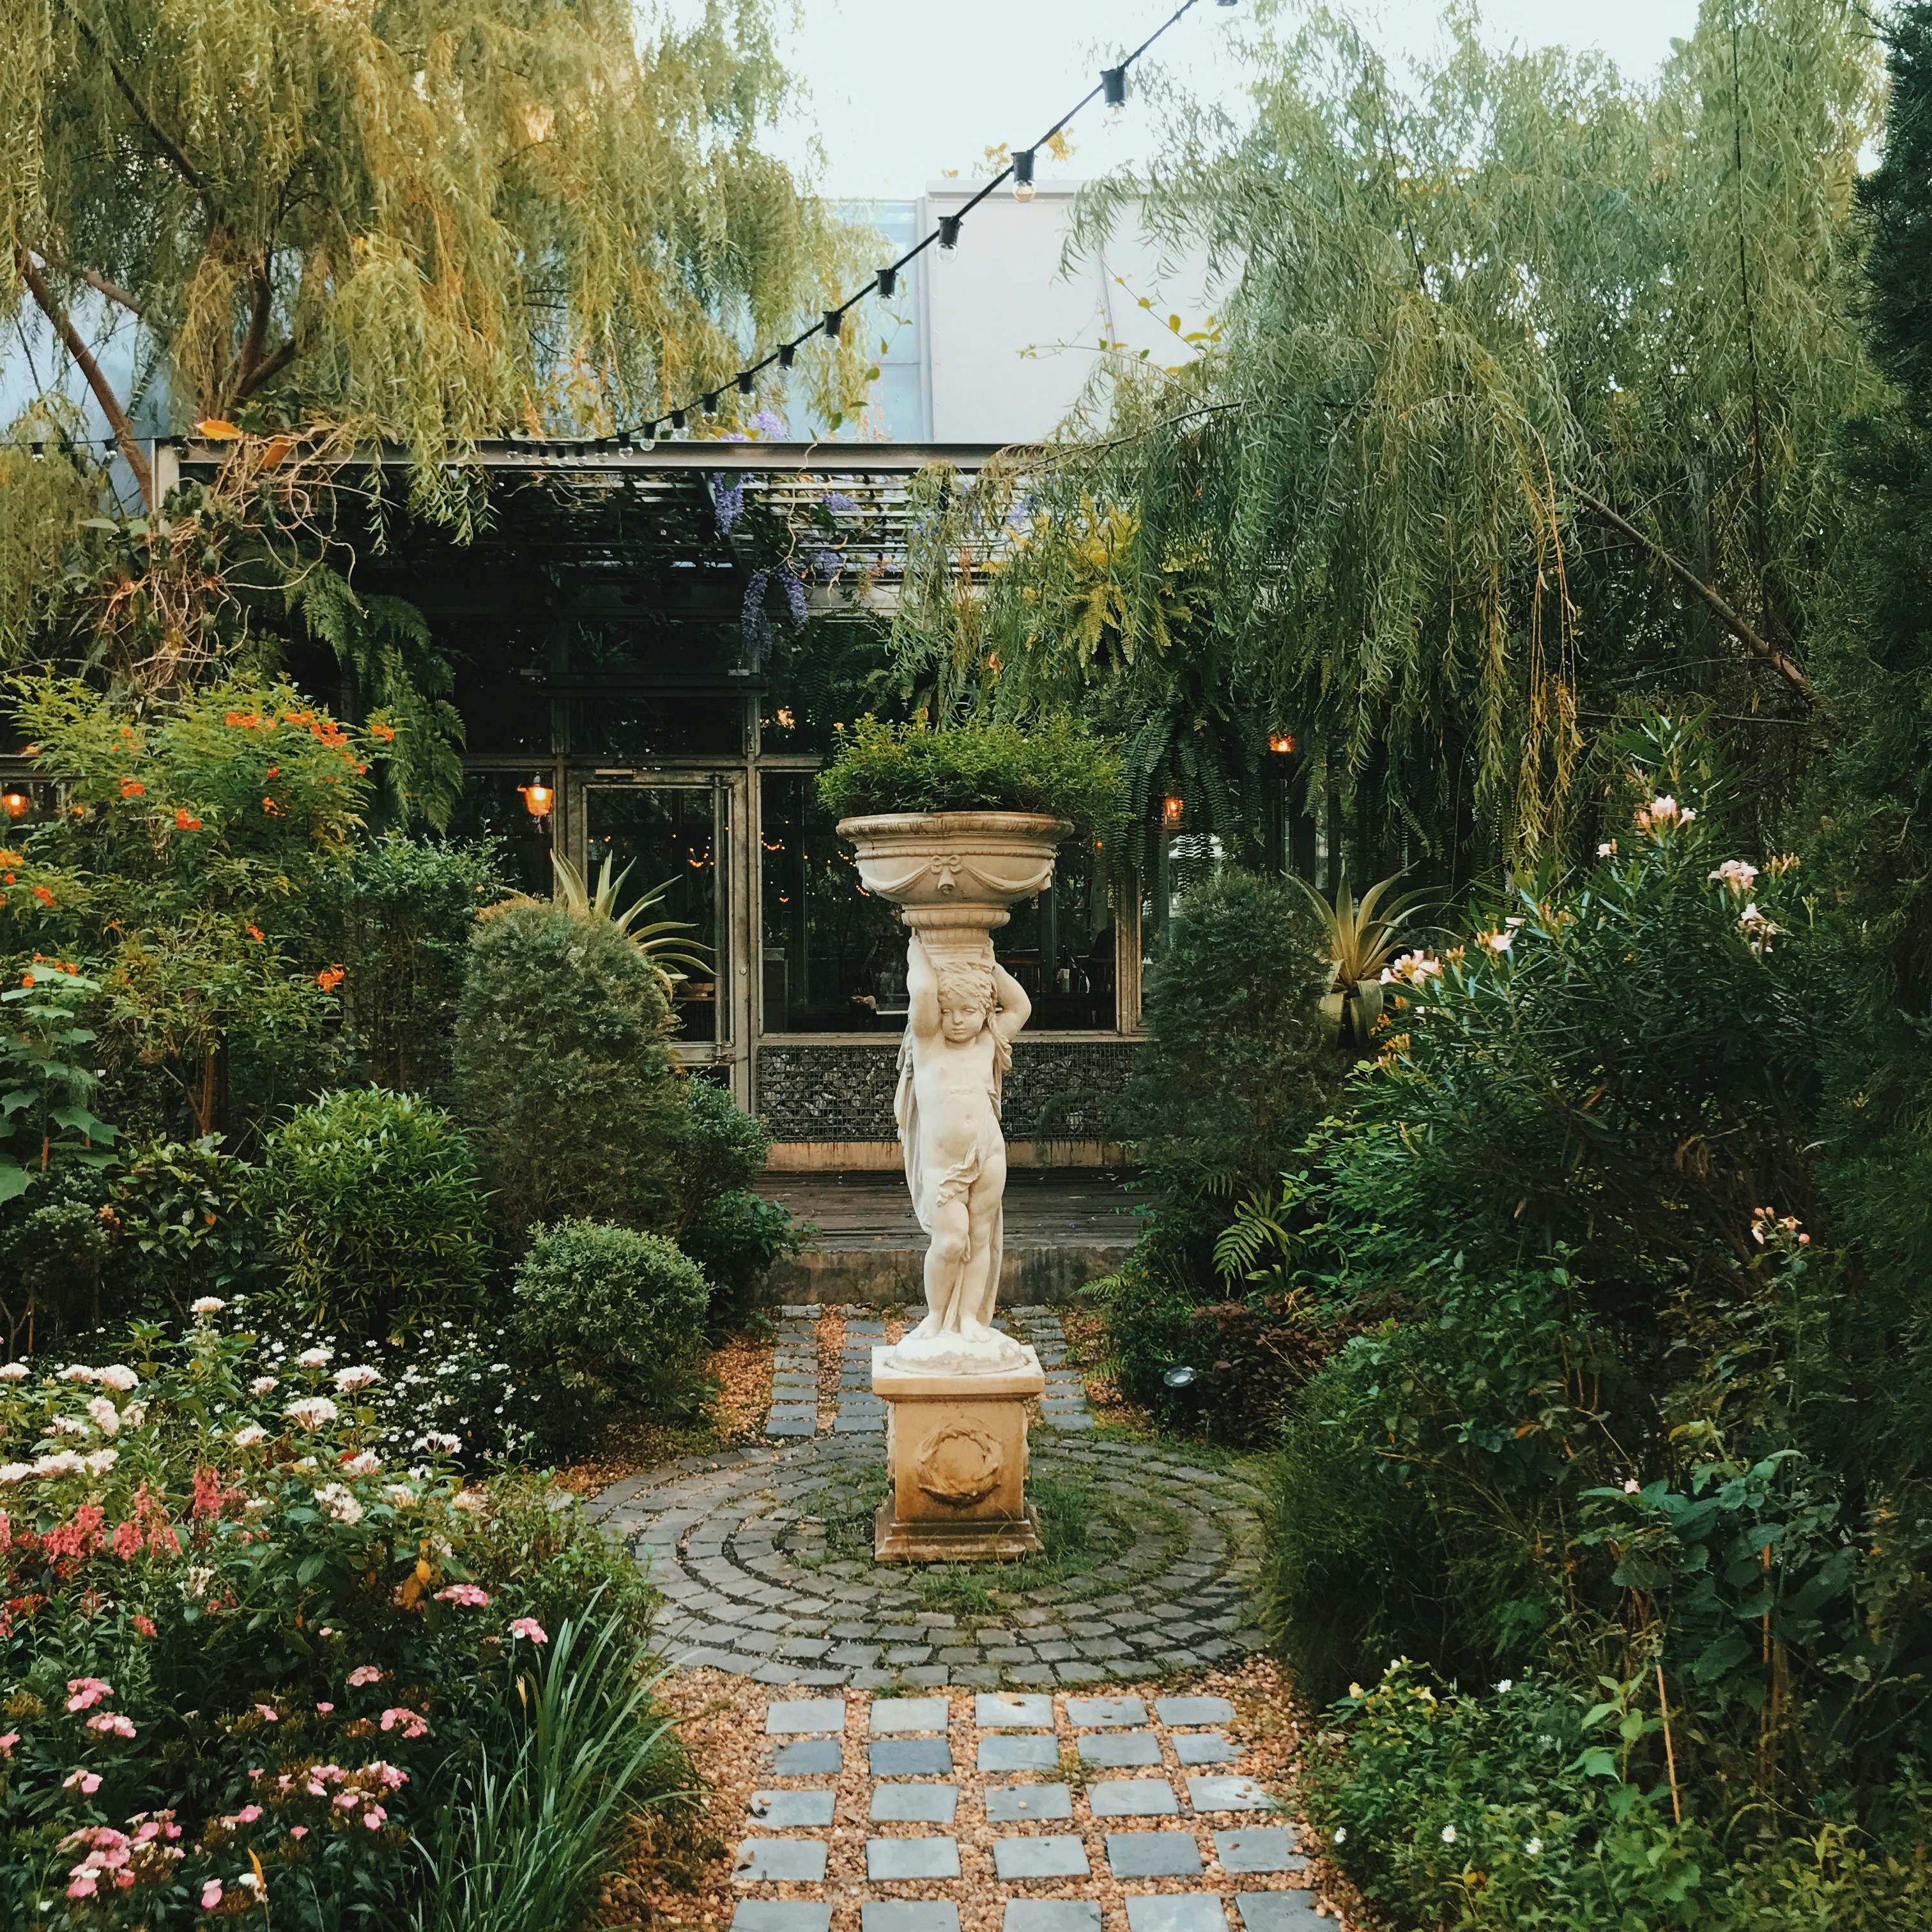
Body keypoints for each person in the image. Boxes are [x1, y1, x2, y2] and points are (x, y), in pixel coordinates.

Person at [890, 929, 1032, 1370]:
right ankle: (936, 1317)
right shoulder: (929, 1045)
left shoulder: (989, 1041)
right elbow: (926, 993)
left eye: (969, 1011)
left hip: (989, 1153)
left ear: (986, 1010)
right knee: (951, 1241)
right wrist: (920, 956)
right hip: (943, 1164)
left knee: (981, 1238)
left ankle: (969, 1318)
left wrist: (987, 967)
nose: (957, 1020)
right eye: (948, 1011)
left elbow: (1021, 1005)